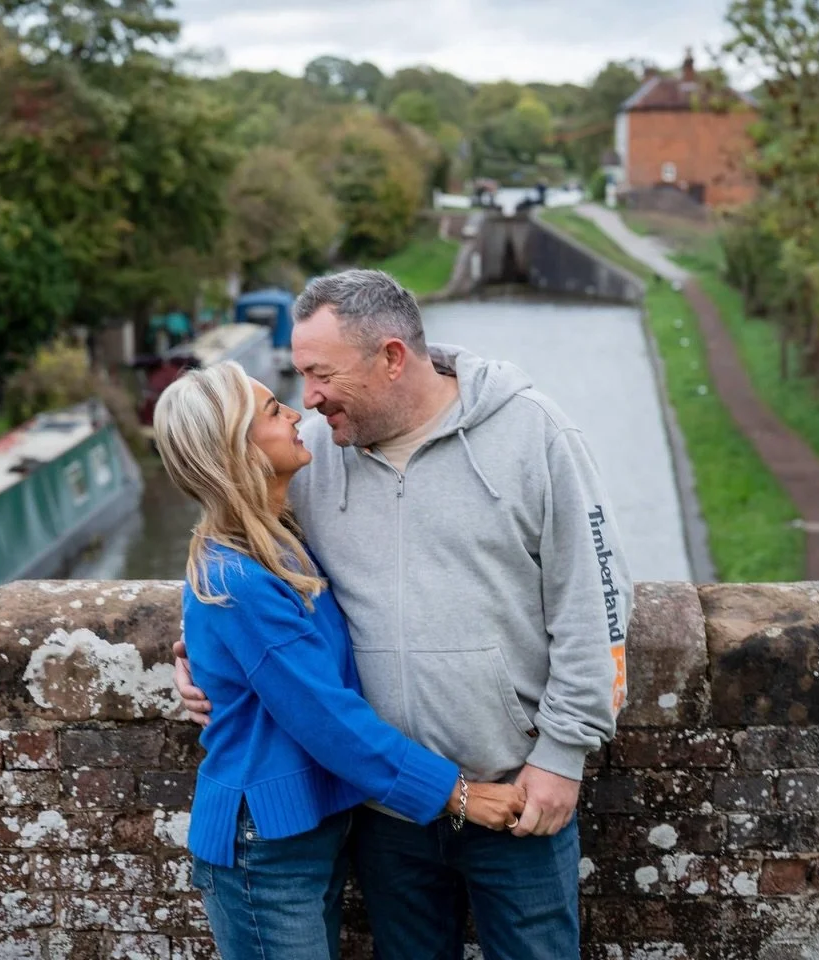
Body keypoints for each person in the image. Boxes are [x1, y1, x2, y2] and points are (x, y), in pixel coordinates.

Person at [175, 269, 633, 960]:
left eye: (319, 373)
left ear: (390, 356)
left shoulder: (533, 433)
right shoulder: (315, 455)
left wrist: (563, 757)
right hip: (385, 815)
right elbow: (241, 567)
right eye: (295, 382)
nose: (309, 399)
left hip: (517, 794)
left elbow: (595, 606)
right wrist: (193, 658)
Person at [153, 361, 527, 960]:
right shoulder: (239, 577)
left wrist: (200, 659)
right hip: (265, 850)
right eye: (274, 411)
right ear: (237, 449)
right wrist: (459, 795)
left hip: (307, 836)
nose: (297, 413)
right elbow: (329, 720)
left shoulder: (278, 543)